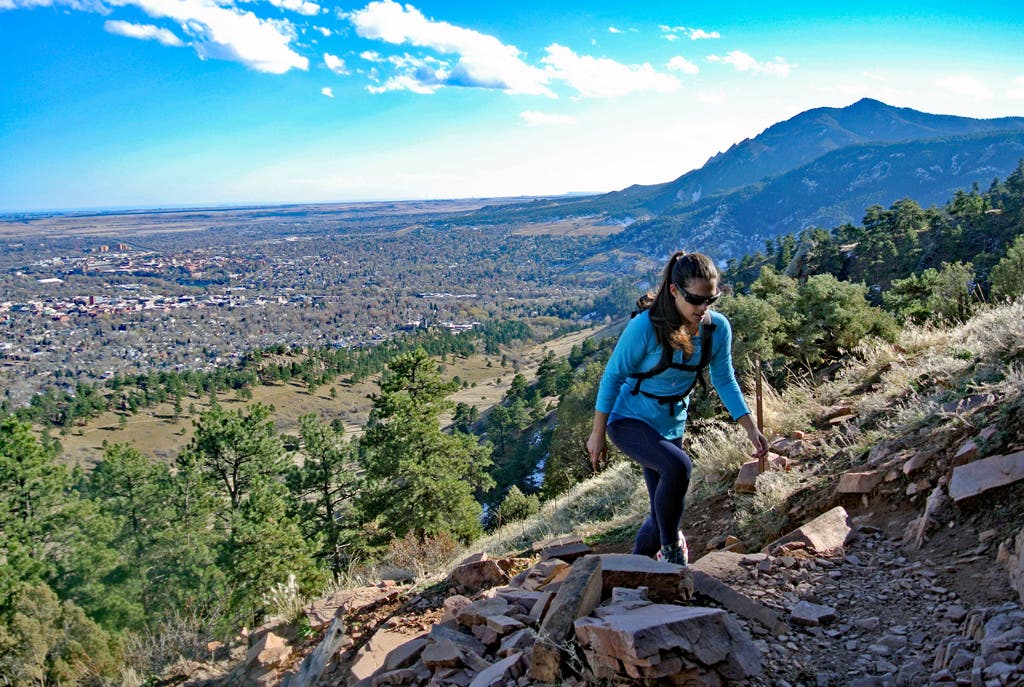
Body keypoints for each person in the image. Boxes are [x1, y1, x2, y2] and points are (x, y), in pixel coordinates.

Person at [586, 251, 768, 566]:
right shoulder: (646, 327)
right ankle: (673, 554)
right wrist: (597, 434)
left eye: (711, 300)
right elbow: (612, 377)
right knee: (679, 468)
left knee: (662, 513)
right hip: (628, 418)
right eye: (696, 300)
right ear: (674, 291)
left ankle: (634, 571)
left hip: (671, 424)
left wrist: (751, 429)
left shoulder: (717, 329)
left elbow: (724, 379)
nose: (703, 308)